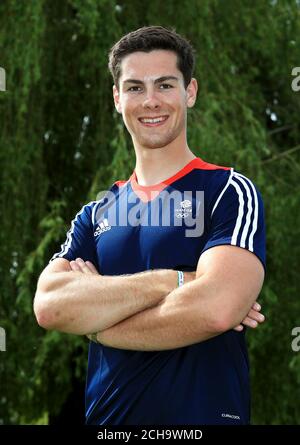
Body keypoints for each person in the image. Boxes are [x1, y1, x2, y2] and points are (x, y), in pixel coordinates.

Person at [34, 26, 266, 425]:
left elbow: (216, 310)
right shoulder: (96, 213)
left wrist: (97, 325)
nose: (151, 101)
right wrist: (178, 281)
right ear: (116, 98)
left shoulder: (228, 191)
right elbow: (51, 306)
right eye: (135, 87)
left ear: (189, 92)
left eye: (164, 84)